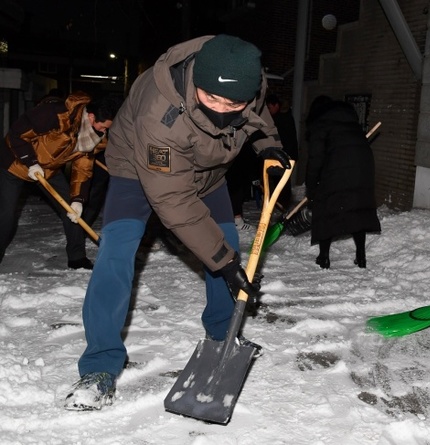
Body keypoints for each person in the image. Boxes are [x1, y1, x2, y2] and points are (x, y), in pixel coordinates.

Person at [64, 34, 291, 411]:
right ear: (196, 81)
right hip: (137, 169)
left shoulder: (253, 85)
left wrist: (266, 143)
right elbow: (171, 198)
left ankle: (222, 335)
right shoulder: (161, 111)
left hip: (208, 171)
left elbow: (258, 115)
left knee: (226, 239)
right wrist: (225, 261)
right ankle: (99, 366)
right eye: (211, 98)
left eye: (232, 102)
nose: (221, 110)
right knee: (117, 251)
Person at [0, 92, 120, 269]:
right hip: (14, 164)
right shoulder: (54, 114)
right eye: (104, 127)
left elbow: (83, 166)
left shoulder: (95, 136)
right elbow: (16, 134)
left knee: (72, 210)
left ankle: (77, 257)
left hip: (49, 169)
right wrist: (31, 162)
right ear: (92, 116)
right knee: (6, 215)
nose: (105, 131)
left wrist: (78, 199)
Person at [305, 95, 380, 269]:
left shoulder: (320, 124)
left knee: (325, 208)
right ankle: (361, 257)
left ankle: (324, 257)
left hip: (337, 168)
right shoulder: (350, 121)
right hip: (362, 168)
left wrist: (311, 187)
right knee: (357, 209)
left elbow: (316, 159)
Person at [266, 94, 299, 208]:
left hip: (285, 154)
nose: (269, 111)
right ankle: (281, 202)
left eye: (270, 108)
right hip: (285, 153)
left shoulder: (282, 118)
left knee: (282, 181)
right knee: (280, 180)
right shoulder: (284, 116)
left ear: (276, 105)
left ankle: (282, 203)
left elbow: (285, 139)